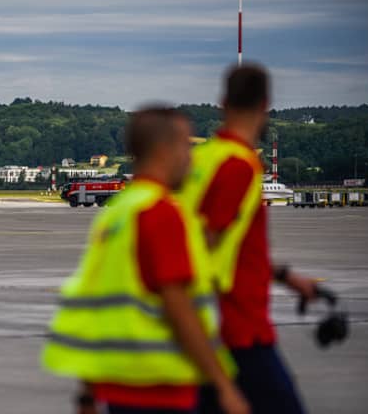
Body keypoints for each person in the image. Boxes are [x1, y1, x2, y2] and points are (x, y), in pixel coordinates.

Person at [41, 107, 249, 414]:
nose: (191, 159)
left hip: (119, 386)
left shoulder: (118, 212)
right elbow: (179, 308)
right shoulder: (160, 212)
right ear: (164, 150)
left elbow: (97, 308)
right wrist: (223, 385)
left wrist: (87, 394)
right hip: (160, 389)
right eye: (185, 148)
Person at [177, 64, 316, 414]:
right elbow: (205, 242)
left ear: (222, 104)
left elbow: (229, 245)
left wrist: (285, 276)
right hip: (236, 324)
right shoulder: (239, 165)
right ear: (265, 105)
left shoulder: (200, 159)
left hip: (203, 320)